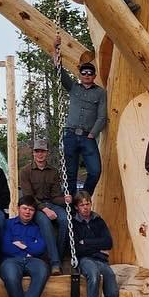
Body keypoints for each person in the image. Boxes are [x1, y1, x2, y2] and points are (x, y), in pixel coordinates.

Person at [55, 38, 108, 196]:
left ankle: (84, 197)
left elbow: (102, 116)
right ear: (80, 74)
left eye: (90, 73)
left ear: (94, 76)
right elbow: (60, 73)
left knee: (95, 171)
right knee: (70, 173)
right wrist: (56, 49)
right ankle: (71, 204)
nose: (86, 75)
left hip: (88, 137)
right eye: (84, 73)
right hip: (70, 134)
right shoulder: (73, 88)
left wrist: (92, 134)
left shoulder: (100, 93)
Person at [69, 192, 118, 297]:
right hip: (85, 259)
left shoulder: (98, 220)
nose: (85, 208)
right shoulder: (74, 223)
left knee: (113, 290)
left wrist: (86, 242)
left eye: (87, 204)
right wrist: (97, 247)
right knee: (94, 276)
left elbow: (108, 242)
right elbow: (76, 248)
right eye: (82, 205)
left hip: (101, 259)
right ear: (77, 207)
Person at [20, 138, 69, 272]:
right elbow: (29, 197)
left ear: (47, 153)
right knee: (46, 223)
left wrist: (65, 200)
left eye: (42, 151)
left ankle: (59, 256)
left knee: (65, 220)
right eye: (37, 151)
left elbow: (55, 196)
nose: (40, 154)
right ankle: (55, 263)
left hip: (52, 204)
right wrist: (45, 209)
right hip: (35, 206)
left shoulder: (53, 171)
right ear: (33, 153)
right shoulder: (25, 171)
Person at [0, 196, 49, 297]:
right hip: (11, 260)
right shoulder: (8, 224)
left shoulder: (37, 227)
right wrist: (28, 249)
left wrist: (23, 245)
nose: (27, 212)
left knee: (42, 271)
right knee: (10, 276)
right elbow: (5, 246)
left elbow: (41, 247)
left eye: (31, 210)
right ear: (18, 208)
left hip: (32, 260)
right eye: (25, 208)